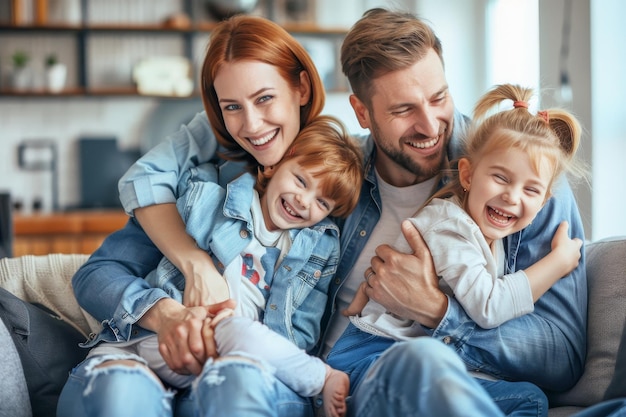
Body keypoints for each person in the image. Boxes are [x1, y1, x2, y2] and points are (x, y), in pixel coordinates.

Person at [313, 8, 588, 417]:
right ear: (362, 112)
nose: (430, 125)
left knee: (532, 400)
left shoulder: (530, 175)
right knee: (423, 363)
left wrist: (435, 309)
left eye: (439, 98)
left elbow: (561, 356)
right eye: (403, 110)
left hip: (456, 383)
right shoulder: (331, 173)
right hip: (361, 379)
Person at [58, 14, 333, 417]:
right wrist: (169, 311)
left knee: (235, 389)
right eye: (232, 107)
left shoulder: (341, 186)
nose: (252, 125)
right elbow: (97, 274)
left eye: (265, 98)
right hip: (150, 361)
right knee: (119, 395)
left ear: (302, 87)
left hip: (257, 374)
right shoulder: (201, 187)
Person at [73, 116, 360, 417]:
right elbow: (154, 188)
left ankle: (320, 377)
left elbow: (302, 331)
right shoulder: (214, 195)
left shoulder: (317, 248)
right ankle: (321, 377)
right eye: (301, 181)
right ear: (273, 165)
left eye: (323, 203)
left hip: (230, 353)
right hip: (162, 338)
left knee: (239, 333)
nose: (304, 201)